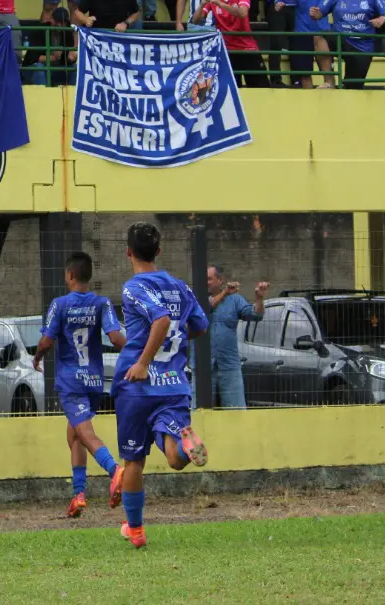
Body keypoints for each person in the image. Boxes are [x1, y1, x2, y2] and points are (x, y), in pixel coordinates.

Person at [112, 222, 209, 550]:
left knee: (133, 462)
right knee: (173, 458)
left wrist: (142, 363)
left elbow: (161, 320)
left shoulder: (133, 287)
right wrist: (174, 347)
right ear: (159, 251)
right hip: (174, 385)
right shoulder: (181, 287)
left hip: (136, 387)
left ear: (128, 252)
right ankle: (185, 443)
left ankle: (136, 531)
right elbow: (199, 325)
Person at [32, 251, 127, 519]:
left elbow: (47, 341)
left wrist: (37, 356)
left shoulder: (59, 304)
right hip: (95, 381)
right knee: (73, 434)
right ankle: (79, 495)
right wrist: (140, 354)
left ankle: (114, 470)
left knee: (84, 433)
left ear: (70, 275)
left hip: (71, 381)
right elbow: (116, 337)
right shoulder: (102, 303)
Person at [313, 0, 385, 89]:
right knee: (319, 36)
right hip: (342, 39)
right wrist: (315, 13)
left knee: (352, 89)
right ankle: (329, 82)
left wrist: (382, 19)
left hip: (363, 48)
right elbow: (320, 13)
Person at [205, 266, 268, 409]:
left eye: (209, 279)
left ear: (220, 280)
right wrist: (225, 294)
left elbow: (255, 315)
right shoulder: (194, 297)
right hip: (202, 367)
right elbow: (205, 308)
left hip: (229, 364)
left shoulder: (235, 299)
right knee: (199, 412)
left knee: (236, 412)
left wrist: (259, 299)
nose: (205, 282)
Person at [194, 0, 266, 87]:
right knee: (231, 90)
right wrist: (201, 5)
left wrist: (219, 3)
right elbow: (196, 21)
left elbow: (243, 13)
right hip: (226, 51)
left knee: (261, 88)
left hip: (247, 49)